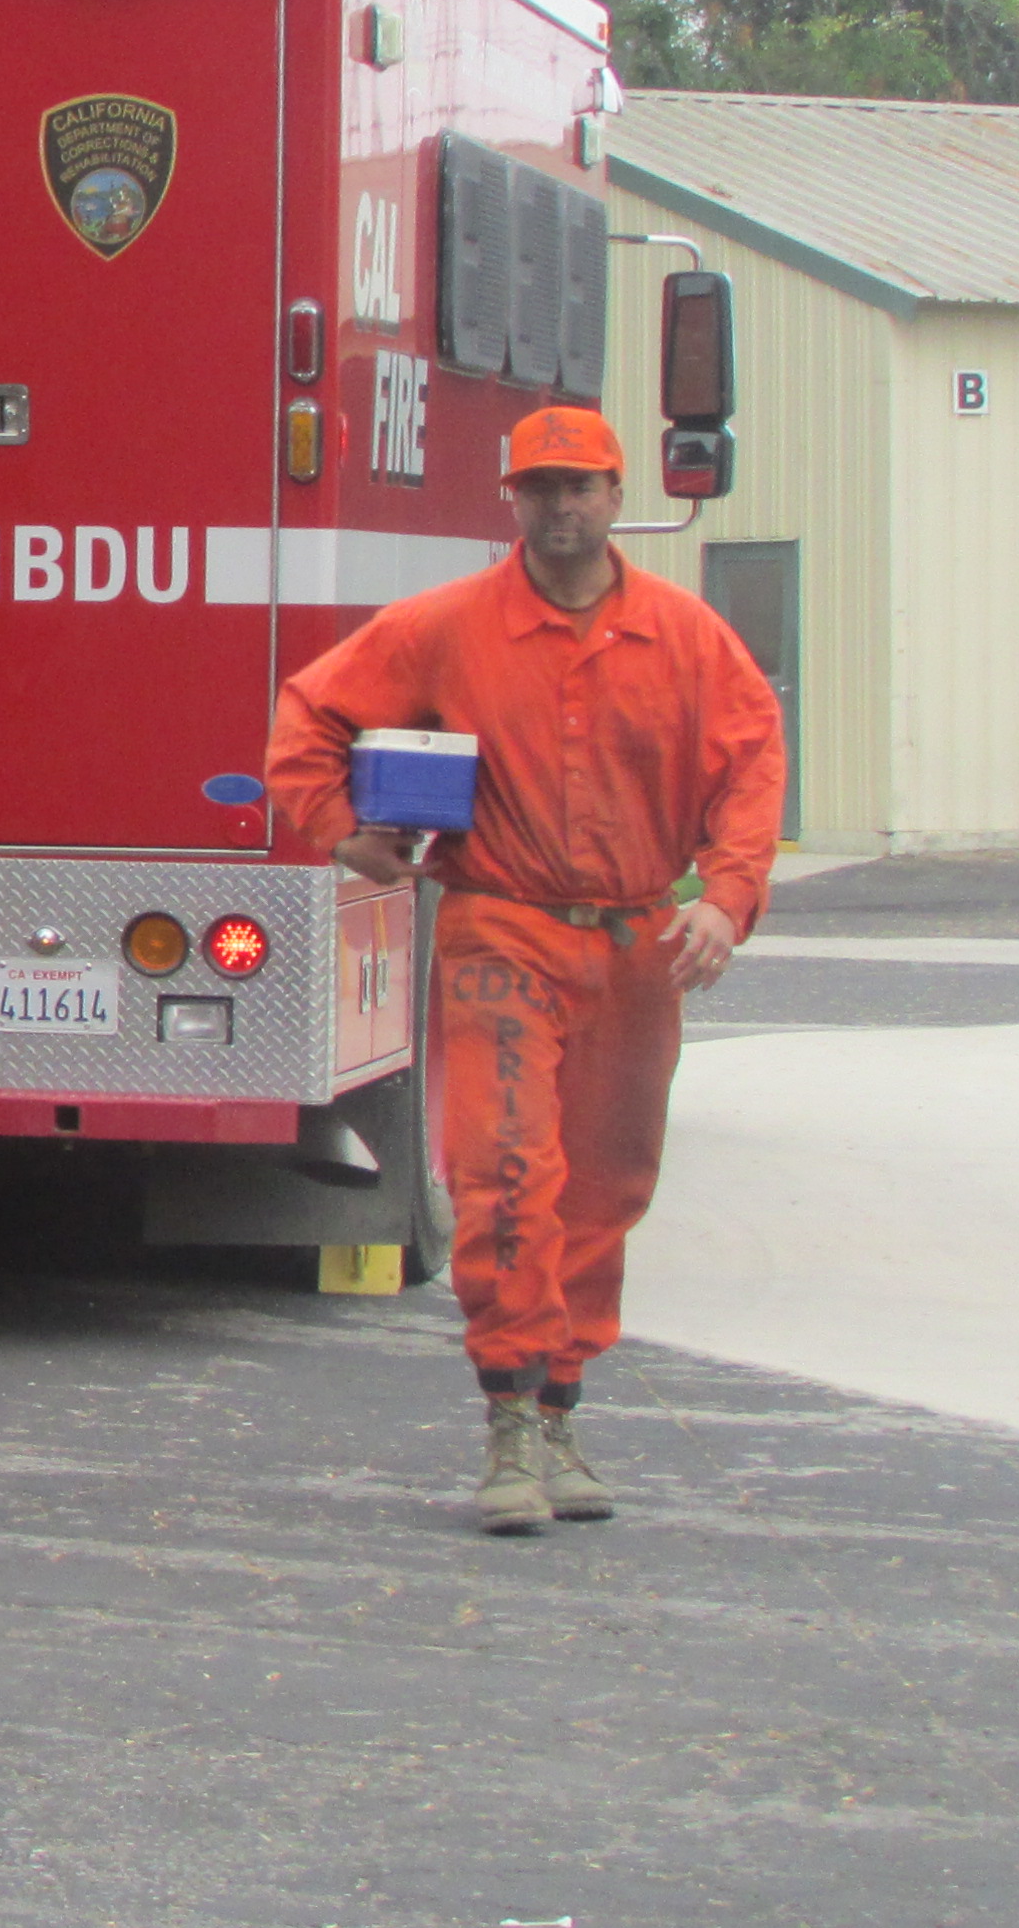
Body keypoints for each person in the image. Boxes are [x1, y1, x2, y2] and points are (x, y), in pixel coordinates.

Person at [264, 403, 787, 1534]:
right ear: (511, 499)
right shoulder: (448, 628)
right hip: (503, 927)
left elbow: (752, 762)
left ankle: (562, 1408)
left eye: (582, 486)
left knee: (607, 1185)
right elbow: (309, 713)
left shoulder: (688, 638)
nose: (562, 507)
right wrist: (340, 825)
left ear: (615, 496)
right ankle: (507, 1421)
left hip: (641, 942)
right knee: (505, 1173)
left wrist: (730, 900)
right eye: (540, 489)